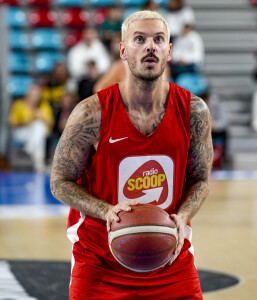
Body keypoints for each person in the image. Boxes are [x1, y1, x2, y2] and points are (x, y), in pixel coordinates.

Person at [50, 10, 213, 300]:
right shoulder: (90, 113)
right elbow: (59, 182)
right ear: (123, 51)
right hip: (99, 260)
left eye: (158, 39)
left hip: (170, 257)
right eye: (139, 39)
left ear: (169, 50)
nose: (150, 46)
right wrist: (106, 211)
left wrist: (183, 216)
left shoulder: (193, 111)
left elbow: (200, 180)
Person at [9, 84, 54, 172]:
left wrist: (41, 117)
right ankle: (39, 165)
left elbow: (51, 124)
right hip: (21, 132)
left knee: (39, 127)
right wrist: (26, 121)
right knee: (38, 134)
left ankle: (30, 147)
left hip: (40, 132)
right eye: (34, 94)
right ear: (28, 94)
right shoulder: (19, 104)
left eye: (38, 95)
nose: (35, 97)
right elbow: (13, 124)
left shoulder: (44, 106)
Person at [67, 27, 111, 91]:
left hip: (99, 79)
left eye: (91, 34)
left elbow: (106, 64)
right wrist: (88, 71)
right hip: (81, 82)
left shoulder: (100, 47)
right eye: (87, 34)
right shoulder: (75, 50)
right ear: (83, 35)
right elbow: (74, 70)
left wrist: (96, 70)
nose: (89, 37)